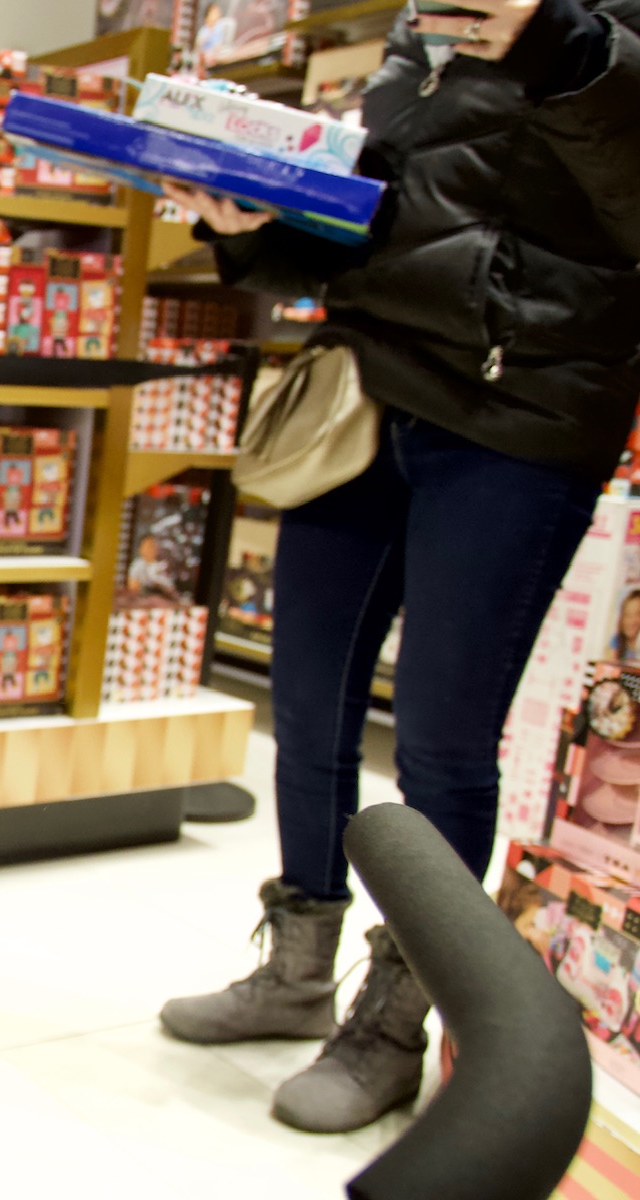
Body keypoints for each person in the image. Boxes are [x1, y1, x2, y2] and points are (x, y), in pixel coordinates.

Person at [159, 0, 640, 1132]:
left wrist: (557, 46)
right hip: (366, 392)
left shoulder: (585, 30)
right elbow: (373, 233)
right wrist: (245, 226)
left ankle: (392, 1018)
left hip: (513, 415)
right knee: (307, 700)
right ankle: (294, 968)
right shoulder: (412, 42)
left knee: (438, 737)